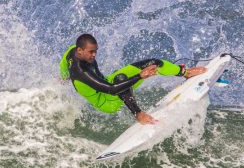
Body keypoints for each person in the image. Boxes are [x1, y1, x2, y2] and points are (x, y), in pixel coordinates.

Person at [59, 33, 207, 124]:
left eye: (96, 51)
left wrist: (62, 78)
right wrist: (140, 76)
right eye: (91, 52)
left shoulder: (72, 51)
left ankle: (185, 73)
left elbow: (63, 65)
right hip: (106, 101)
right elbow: (111, 90)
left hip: (109, 80)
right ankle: (139, 114)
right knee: (121, 79)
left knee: (153, 63)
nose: (94, 55)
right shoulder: (80, 72)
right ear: (80, 50)